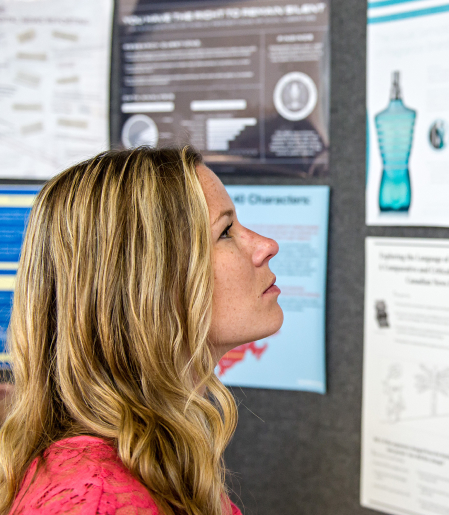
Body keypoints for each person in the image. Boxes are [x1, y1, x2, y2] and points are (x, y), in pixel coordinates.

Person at [0, 147, 282, 515]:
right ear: (147, 284)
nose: (267, 246)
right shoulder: (95, 498)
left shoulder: (150, 458)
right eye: (226, 231)